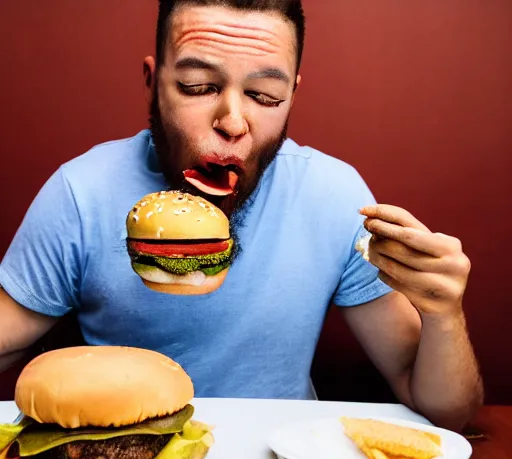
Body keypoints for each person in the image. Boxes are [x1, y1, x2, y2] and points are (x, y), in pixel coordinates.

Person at [0, 0, 482, 431]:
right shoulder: (81, 190)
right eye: (197, 86)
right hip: (121, 456)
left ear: (292, 94)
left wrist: (444, 315)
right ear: (153, 83)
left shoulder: (335, 195)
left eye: (265, 97)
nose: (232, 122)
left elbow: (444, 410)